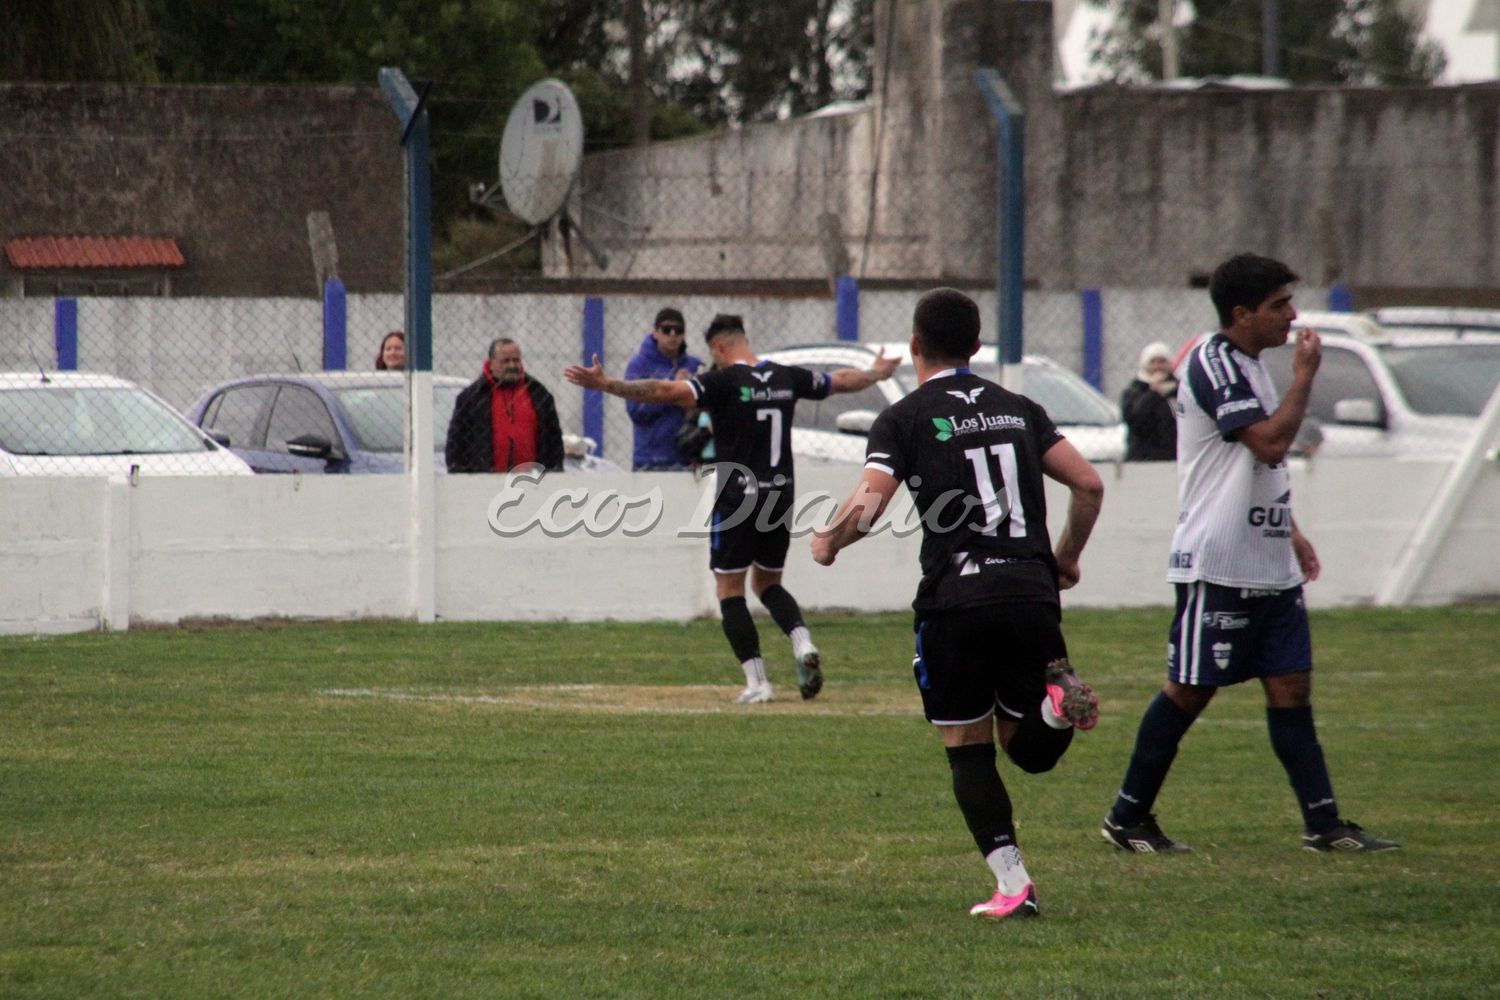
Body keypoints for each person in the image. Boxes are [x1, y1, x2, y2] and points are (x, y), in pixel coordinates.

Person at [810, 287, 1105, 921]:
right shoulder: (1021, 407)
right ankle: (1056, 710)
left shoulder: (906, 416)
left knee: (967, 744)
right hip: (1032, 593)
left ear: (915, 345)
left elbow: (869, 504)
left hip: (958, 599)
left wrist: (829, 542)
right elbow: (1088, 482)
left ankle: (1013, 885)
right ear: (976, 347)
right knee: (1025, 746)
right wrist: (1067, 558)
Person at [1100, 253, 1398, 855]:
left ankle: (1325, 825)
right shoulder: (1212, 364)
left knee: (1291, 689)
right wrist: (1306, 377)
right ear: (1242, 314)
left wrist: (1288, 529)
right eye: (1279, 305)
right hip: (1218, 561)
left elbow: (1254, 468)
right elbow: (1265, 444)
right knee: (1189, 689)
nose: (1292, 315)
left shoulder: (1252, 364)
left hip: (1268, 559)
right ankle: (1127, 818)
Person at [565, 313, 897, 704]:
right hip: (780, 493)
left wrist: (606, 384)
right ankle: (802, 642)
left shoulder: (722, 381)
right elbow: (840, 381)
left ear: (720, 347)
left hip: (737, 497)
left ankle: (758, 684)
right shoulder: (786, 377)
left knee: (729, 588)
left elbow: (664, 392)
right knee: (768, 583)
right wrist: (875, 372)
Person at [446, 338, 564, 474]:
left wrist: (553, 474)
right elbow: (456, 444)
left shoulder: (539, 394)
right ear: (491, 363)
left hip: (533, 482)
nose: (512, 365)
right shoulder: (471, 398)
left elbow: (554, 442)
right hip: (483, 483)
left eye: (516, 360)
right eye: (505, 361)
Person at [625, 308, 704, 470]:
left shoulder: (695, 366)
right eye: (666, 330)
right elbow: (636, 411)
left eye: (678, 330)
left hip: (687, 461)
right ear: (655, 332)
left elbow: (706, 412)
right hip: (650, 461)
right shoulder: (639, 366)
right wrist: (673, 390)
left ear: (684, 334)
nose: (673, 335)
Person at [1120, 341, 1177, 461]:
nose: (1158, 367)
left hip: (1173, 455)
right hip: (1142, 456)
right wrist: (1153, 392)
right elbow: (1135, 420)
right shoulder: (1134, 390)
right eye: (1153, 362)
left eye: (1162, 361)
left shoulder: (1178, 390)